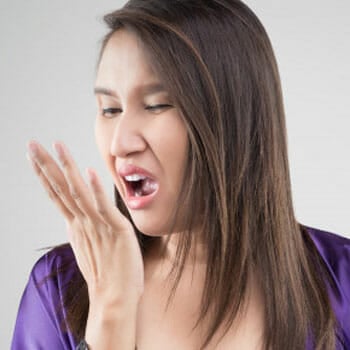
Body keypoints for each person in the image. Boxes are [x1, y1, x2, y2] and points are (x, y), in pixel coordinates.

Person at [11, 0, 350, 349]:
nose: (120, 143)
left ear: (233, 118)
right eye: (109, 109)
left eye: (157, 104)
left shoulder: (342, 281)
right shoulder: (58, 288)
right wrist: (110, 312)